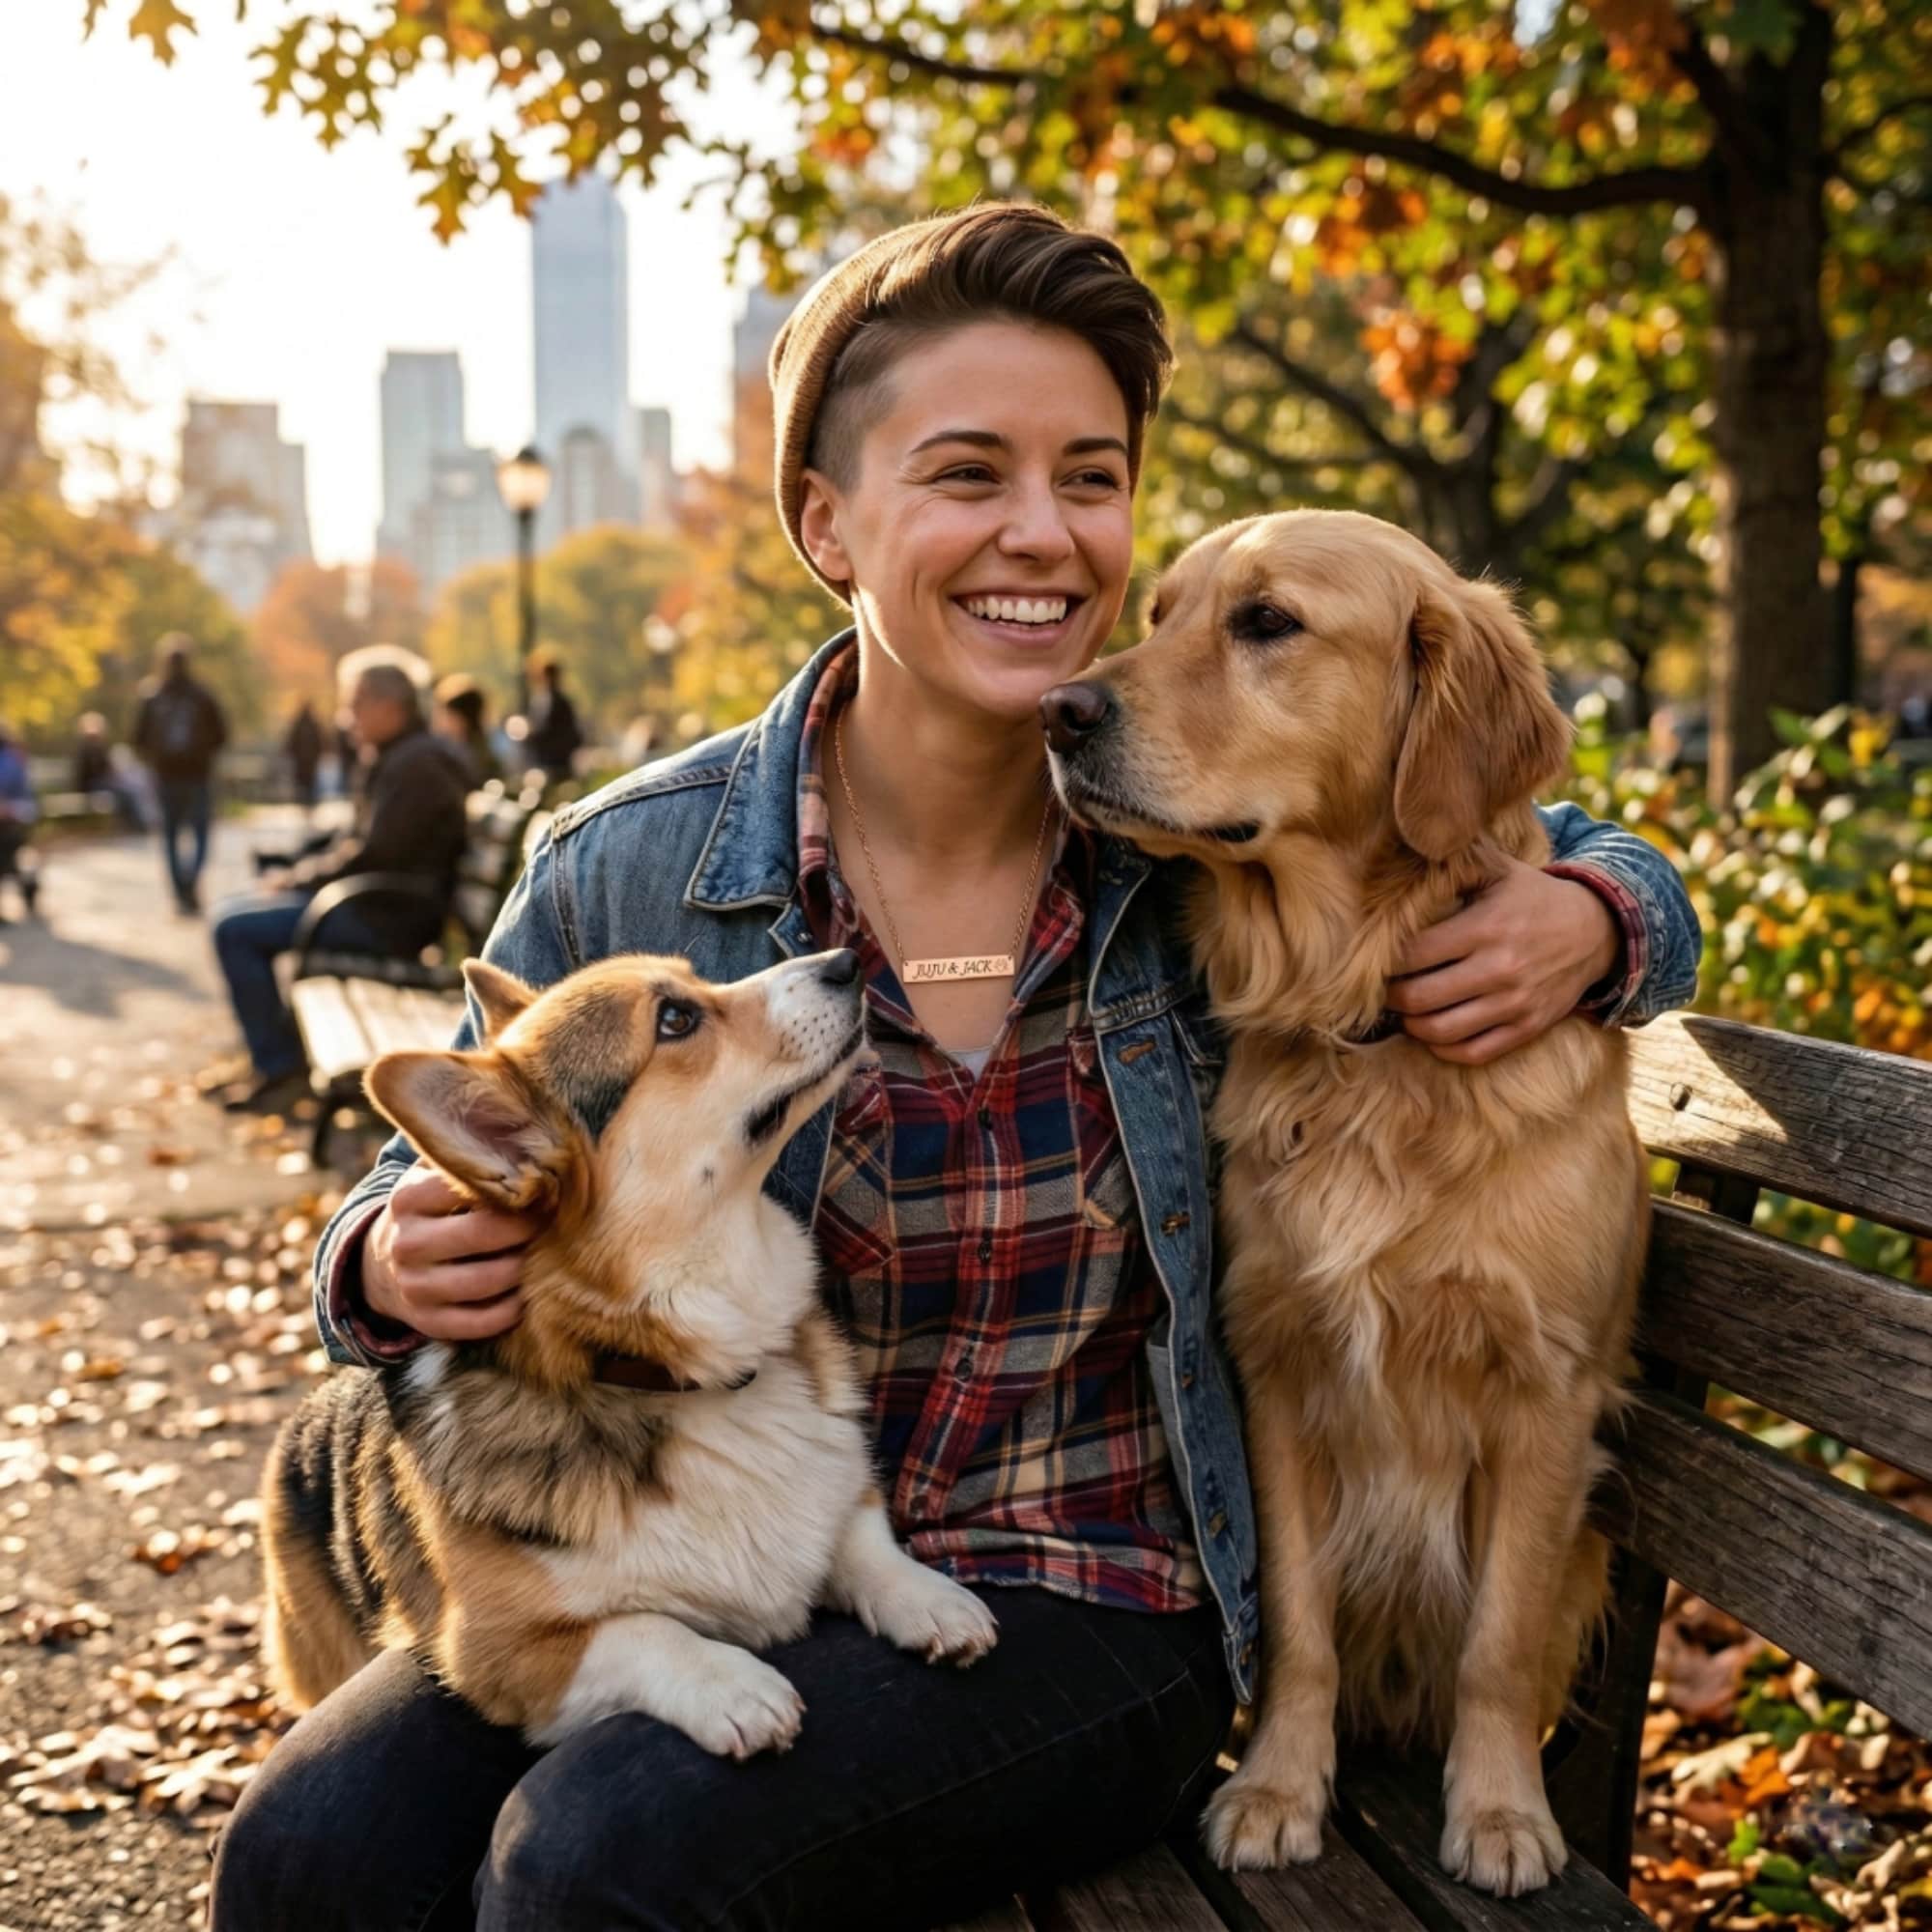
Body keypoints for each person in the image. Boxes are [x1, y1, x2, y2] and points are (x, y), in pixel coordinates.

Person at [213, 206, 1702, 1931]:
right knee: (307, 1851)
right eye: (970, 472)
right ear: (826, 521)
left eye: (1090, 476)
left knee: (598, 1855)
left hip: (1084, 1600)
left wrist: (1607, 911)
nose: (1043, 534)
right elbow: (449, 1156)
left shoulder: (1199, 841)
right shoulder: (640, 866)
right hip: (706, 1559)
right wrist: (381, 1256)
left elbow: (1501, 815)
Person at [208, 645, 471, 1113]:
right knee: (235, 913)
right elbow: (360, 841)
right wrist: (296, 869)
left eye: (355, 703)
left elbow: (375, 853)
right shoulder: (401, 756)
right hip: (373, 905)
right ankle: (271, 1058)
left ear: (389, 706)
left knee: (234, 930)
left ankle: (278, 1066)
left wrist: (299, 879)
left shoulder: (416, 765)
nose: (347, 717)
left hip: (386, 918)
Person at [132, 634, 228, 914]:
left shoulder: (152, 695)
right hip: (197, 775)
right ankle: (189, 884)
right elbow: (222, 734)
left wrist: (156, 760)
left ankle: (180, 890)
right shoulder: (202, 695)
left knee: (171, 836)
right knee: (200, 834)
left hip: (166, 777)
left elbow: (138, 738)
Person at [521, 655, 582, 784]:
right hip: (561, 762)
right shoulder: (563, 701)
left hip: (548, 763)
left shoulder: (545, 702)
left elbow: (542, 730)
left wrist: (528, 734)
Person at [433, 673, 501, 789]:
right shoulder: (492, 746)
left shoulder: (454, 755)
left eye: (446, 714)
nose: (439, 720)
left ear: (460, 719)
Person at [0, 720, 39, 920]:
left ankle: (28, 885)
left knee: (9, 845)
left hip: (10, 825)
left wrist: (10, 809)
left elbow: (29, 804)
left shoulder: (13, 760)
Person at [284, 700, 325, 811]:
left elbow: (319, 740)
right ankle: (303, 800)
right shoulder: (302, 723)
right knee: (303, 781)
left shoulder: (310, 723)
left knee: (308, 781)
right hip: (303, 759)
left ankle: (308, 801)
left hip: (309, 759)